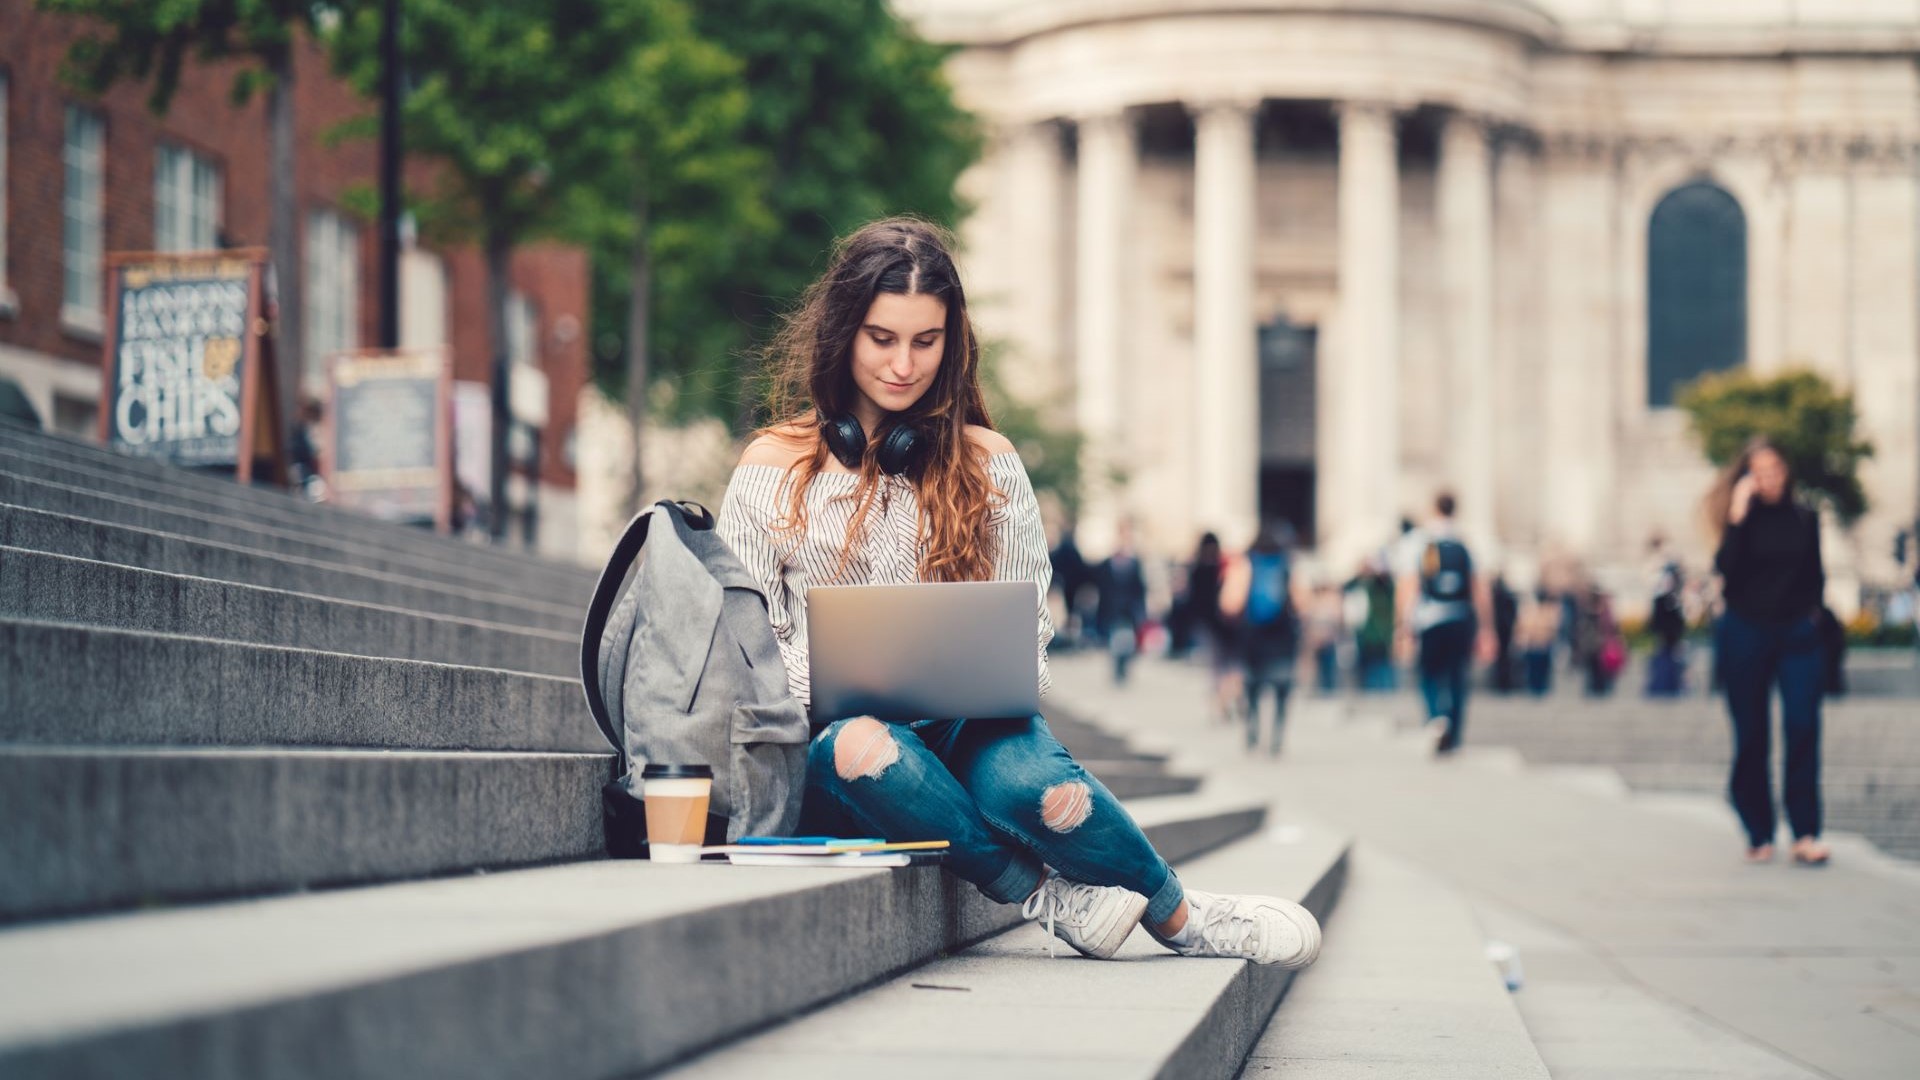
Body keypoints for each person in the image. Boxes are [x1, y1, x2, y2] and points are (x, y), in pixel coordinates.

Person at [713, 218, 1320, 966]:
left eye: (925, 342)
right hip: (829, 746)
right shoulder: (772, 465)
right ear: (843, 335)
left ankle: (1182, 917)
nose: (904, 365)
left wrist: (954, 682)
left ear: (953, 342)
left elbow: (1029, 630)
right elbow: (744, 655)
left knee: (1040, 788)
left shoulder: (990, 463)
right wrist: (851, 679)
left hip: (966, 725)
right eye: (882, 338)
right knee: (867, 745)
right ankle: (1048, 896)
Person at [1708, 437, 1830, 865]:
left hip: (1796, 633)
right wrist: (1738, 516)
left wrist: (1811, 616)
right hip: (1745, 632)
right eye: (1759, 473)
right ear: (1746, 478)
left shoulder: (1804, 516)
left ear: (1786, 470)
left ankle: (1805, 831)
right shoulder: (1740, 520)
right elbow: (1725, 570)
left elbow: (1817, 573)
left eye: (1775, 470)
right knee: (1752, 734)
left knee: (1802, 726)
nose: (1769, 479)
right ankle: (1758, 829)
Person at [1396, 492, 1495, 756]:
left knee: (1429, 673)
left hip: (1429, 619)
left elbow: (1409, 587)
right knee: (1457, 676)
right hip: (1460, 618)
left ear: (1432, 508)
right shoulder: (1468, 541)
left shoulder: (1419, 542)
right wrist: (1487, 628)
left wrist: (1403, 626)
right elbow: (1480, 590)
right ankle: (1455, 732)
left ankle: (1436, 718)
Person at [1220, 522, 1304, 756]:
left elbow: (1230, 603)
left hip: (1253, 639)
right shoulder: (1288, 564)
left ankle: (1253, 729)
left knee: (1252, 688)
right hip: (1282, 638)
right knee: (1282, 688)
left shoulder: (1245, 564)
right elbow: (1301, 603)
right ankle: (1277, 735)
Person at [1182, 532, 1240, 721]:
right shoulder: (1222, 567)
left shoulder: (1196, 568)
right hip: (1225, 624)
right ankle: (1224, 701)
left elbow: (1191, 600)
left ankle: (1218, 703)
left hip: (1208, 625)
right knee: (1230, 665)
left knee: (1215, 667)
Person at [1096, 520, 1150, 685]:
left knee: (1127, 641)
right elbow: (1102, 585)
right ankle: (1117, 669)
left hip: (1129, 610)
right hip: (1112, 609)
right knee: (1115, 641)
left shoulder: (1135, 562)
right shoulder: (1108, 562)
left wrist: (1140, 609)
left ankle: (1124, 667)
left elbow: (1140, 588)